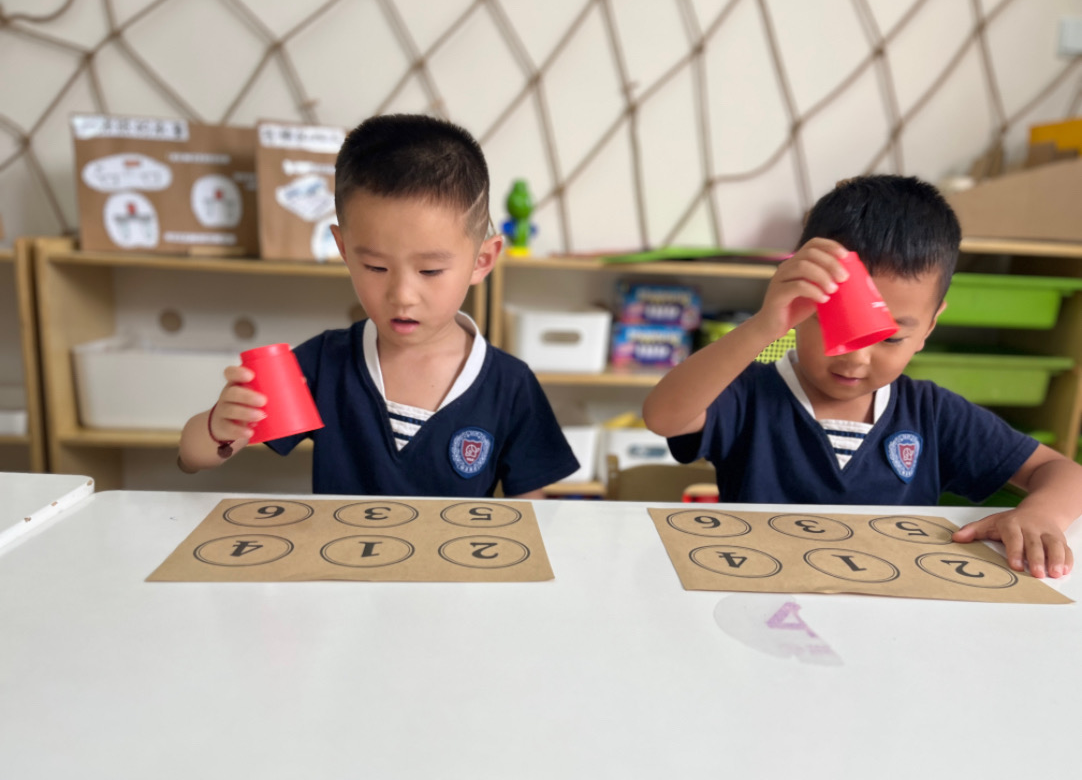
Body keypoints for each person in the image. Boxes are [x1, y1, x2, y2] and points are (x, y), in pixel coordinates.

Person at [642, 175, 1082, 578]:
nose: (855, 359)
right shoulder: (749, 392)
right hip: (761, 592)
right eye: (835, 327)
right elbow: (664, 417)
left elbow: (1063, 471)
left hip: (885, 610)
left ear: (929, 327)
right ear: (797, 310)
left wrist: (1041, 514)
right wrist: (763, 326)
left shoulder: (932, 414)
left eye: (890, 339)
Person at [179, 113, 579, 498]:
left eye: (430, 270)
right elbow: (191, 459)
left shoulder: (510, 385)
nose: (402, 295)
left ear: (482, 261)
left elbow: (530, 507)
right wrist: (218, 427)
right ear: (343, 249)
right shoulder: (323, 363)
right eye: (375, 267)